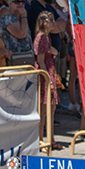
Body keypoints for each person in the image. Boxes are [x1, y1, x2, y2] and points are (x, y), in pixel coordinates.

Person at [33, 10, 59, 141]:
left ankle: (50, 139)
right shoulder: (42, 37)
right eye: (51, 20)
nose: (53, 23)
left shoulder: (46, 37)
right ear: (44, 22)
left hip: (49, 72)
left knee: (50, 109)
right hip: (45, 74)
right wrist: (48, 79)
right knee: (43, 110)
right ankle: (41, 140)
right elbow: (40, 60)